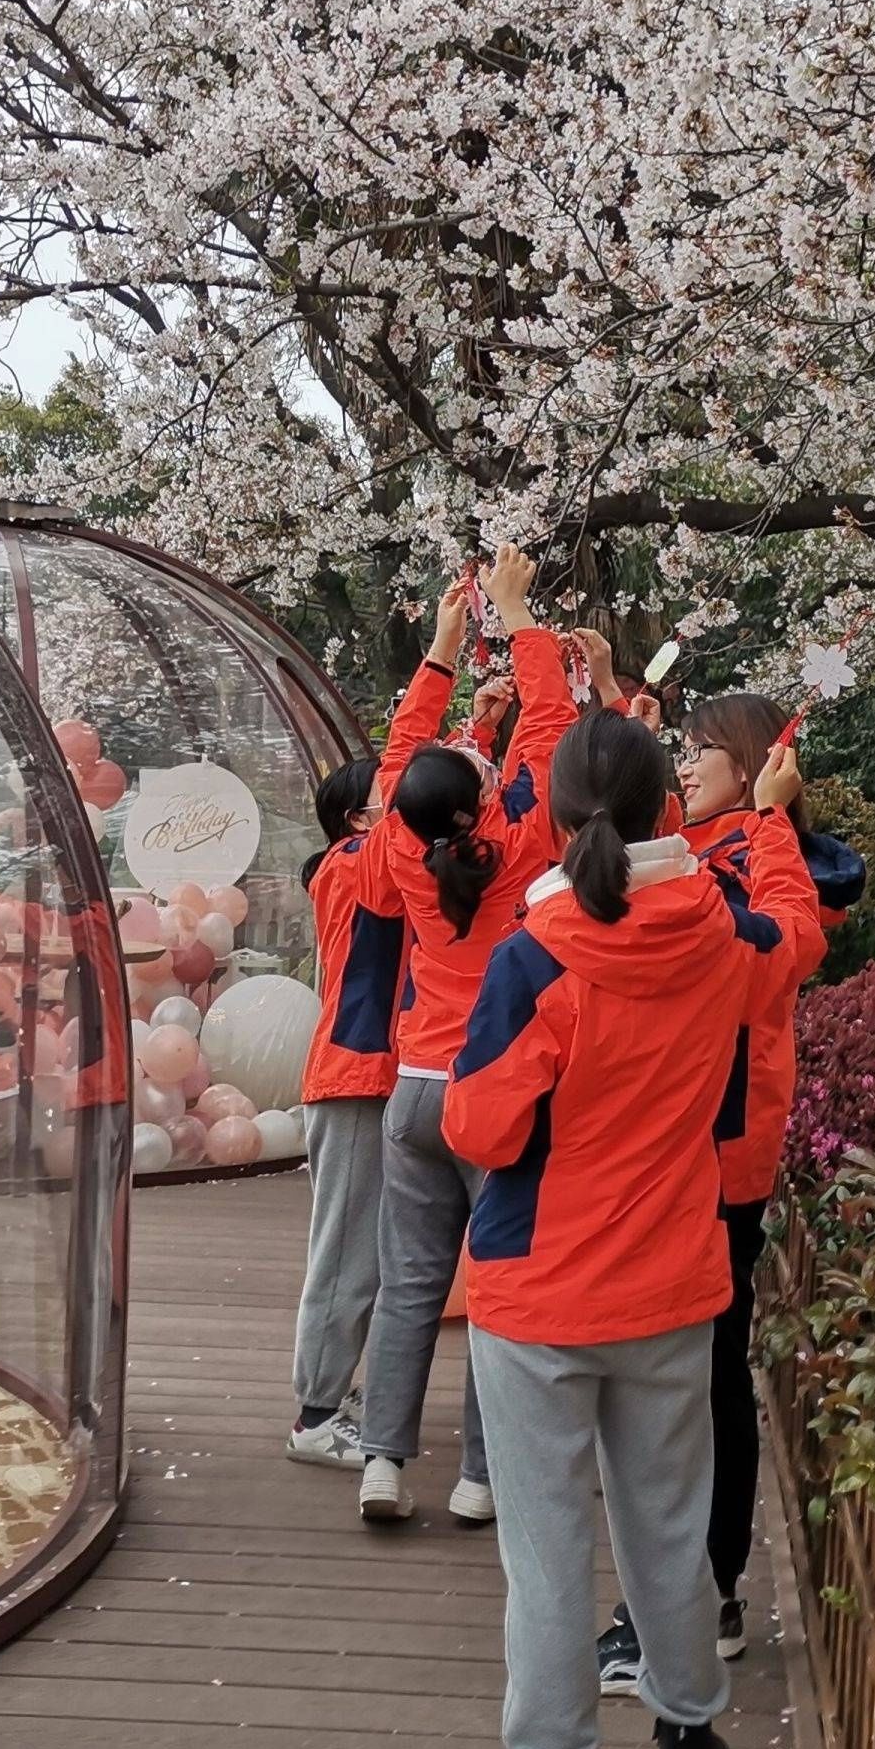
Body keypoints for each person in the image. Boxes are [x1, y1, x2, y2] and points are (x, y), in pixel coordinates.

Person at [438, 709, 823, 1749]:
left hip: (540, 1292)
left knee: (549, 1550)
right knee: (666, 1524)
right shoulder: (726, 940)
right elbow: (799, 935)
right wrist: (770, 814)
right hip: (672, 1284)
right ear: (672, 814)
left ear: (553, 819)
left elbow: (480, 1123)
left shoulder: (535, 956)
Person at [597, 691, 864, 1694]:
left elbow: (789, 937)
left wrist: (771, 821)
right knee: (689, 1376)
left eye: (702, 749)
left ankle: (697, 1598)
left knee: (700, 1380)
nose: (685, 762)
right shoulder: (712, 843)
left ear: (751, 766)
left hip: (719, 1151)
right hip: (685, 1146)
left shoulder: (757, 855)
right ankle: (688, 1596)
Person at [353, 546, 577, 1525]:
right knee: (494, 1288)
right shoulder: (522, 848)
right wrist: (518, 615)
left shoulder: (400, 851)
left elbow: (402, 756)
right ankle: (480, 1478)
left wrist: (441, 651)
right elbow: (552, 734)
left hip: (411, 1092)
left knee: (409, 1287)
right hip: (495, 1095)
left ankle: (382, 1464)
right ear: (482, 801)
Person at [283, 581, 476, 1466]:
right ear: (364, 818)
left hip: (382, 1079)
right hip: (358, 1079)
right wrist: (439, 661)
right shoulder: (350, 868)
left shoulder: (376, 864)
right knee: (347, 1255)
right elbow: (410, 780)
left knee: (376, 1255)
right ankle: (316, 1415)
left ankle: (343, 1403)